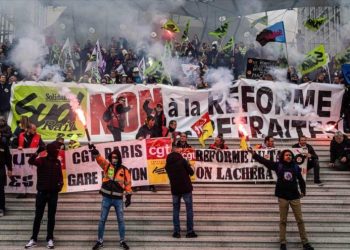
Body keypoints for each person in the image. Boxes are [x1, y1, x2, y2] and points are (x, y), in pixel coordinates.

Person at [248, 148, 314, 250]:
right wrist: (254, 154)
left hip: (294, 197)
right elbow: (265, 162)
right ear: (283, 156)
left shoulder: (296, 167)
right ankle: (283, 243)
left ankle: (305, 243)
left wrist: (303, 191)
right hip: (282, 197)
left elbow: (301, 180)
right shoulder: (278, 165)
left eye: (290, 155)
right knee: (283, 221)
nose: (289, 157)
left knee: (300, 220)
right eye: (287, 155)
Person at [89, 145, 132, 250]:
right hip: (106, 198)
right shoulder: (107, 166)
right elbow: (99, 159)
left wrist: (129, 196)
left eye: (116, 157)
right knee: (102, 220)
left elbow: (128, 184)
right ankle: (100, 241)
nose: (114, 159)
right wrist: (95, 152)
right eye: (112, 157)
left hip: (118, 199)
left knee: (121, 220)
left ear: (119, 158)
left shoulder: (124, 170)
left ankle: (122, 241)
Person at [25, 143, 63, 249]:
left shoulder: (57, 162)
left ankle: (50, 238)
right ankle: (33, 239)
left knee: (51, 217)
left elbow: (60, 176)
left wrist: (60, 185)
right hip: (42, 193)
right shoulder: (41, 160)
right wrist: (37, 152)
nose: (58, 151)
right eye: (56, 150)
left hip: (53, 194)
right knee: (38, 216)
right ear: (51, 150)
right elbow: (30, 161)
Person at [165, 145, 197, 239]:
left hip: (175, 189)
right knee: (189, 210)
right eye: (179, 151)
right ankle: (190, 231)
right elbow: (191, 172)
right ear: (177, 151)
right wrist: (188, 164)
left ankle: (176, 232)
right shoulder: (182, 161)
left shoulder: (167, 164)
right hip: (186, 188)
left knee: (176, 211)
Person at [135, 116, 157, 192]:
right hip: (143, 153)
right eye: (151, 121)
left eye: (154, 121)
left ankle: (152, 185)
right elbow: (137, 137)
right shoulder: (142, 129)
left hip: (151, 153)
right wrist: (139, 138)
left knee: (151, 169)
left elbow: (157, 139)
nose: (153, 123)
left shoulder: (154, 129)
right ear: (147, 121)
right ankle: (138, 185)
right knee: (141, 168)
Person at [0, 131, 12, 217]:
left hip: (1, 169)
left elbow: (8, 157)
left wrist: (10, 169)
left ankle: (1, 208)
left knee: (0, 189)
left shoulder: (3, 144)